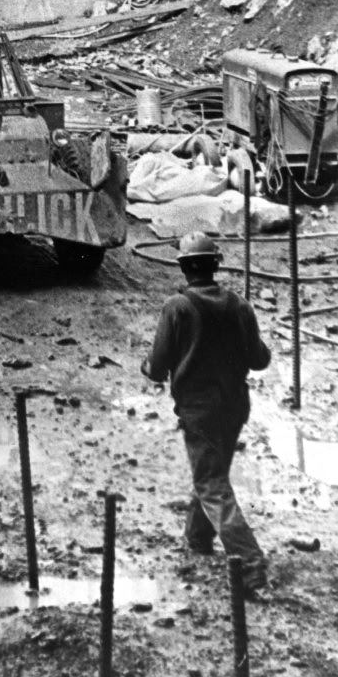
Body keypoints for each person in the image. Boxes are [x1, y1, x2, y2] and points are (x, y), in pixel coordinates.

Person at [142, 231, 271, 594]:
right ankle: (197, 538)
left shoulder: (177, 307)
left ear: (183, 268)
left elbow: (156, 366)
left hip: (199, 409)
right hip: (235, 404)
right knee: (213, 473)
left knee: (212, 482)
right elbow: (260, 360)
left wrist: (147, 367)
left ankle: (250, 565)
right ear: (216, 264)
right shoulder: (239, 305)